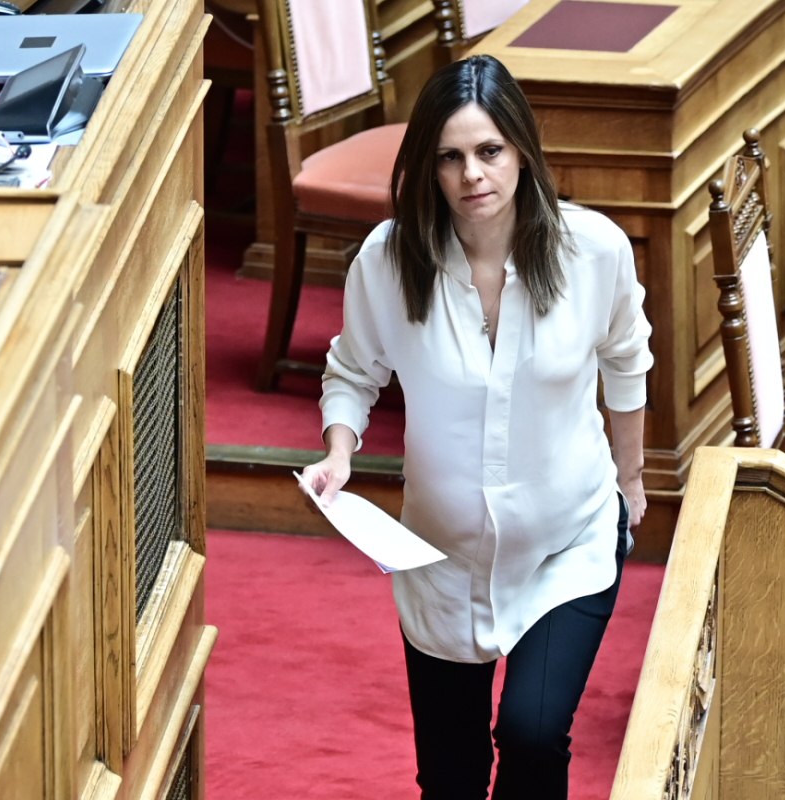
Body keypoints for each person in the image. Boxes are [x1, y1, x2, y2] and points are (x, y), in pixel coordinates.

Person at [298, 53, 654, 799]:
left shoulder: (594, 251)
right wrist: (338, 451)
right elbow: (353, 371)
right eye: (449, 158)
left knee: (531, 731)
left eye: (489, 151)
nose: (472, 176)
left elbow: (626, 361)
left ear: (521, 148)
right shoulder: (387, 261)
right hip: (439, 557)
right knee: (452, 778)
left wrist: (630, 482)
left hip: (567, 543)